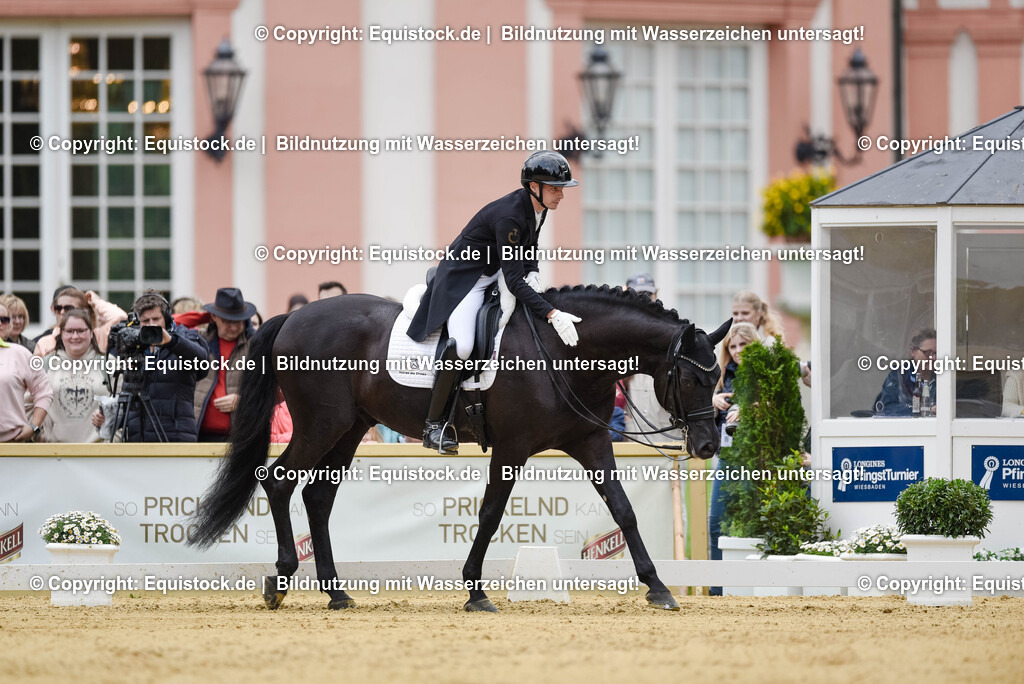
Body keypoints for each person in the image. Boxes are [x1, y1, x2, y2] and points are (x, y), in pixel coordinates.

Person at [407, 151, 582, 453]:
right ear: (534, 187)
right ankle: (433, 425)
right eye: (555, 189)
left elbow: (530, 247)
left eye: (561, 189)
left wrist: (534, 271)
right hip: (466, 281)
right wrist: (552, 313)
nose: (561, 195)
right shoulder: (509, 216)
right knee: (463, 345)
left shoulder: (538, 208)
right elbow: (514, 281)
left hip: (494, 273)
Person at [103, 290, 209, 442]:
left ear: (167, 318)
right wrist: (109, 417)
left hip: (176, 438)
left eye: (156, 319)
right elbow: (129, 400)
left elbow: (203, 364)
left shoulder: (185, 336)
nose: (151, 325)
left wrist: (172, 341)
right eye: (145, 321)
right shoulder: (133, 346)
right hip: (139, 440)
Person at [707, 322, 760, 595]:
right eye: (733, 346)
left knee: (755, 523)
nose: (738, 351)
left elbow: (781, 411)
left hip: (757, 460)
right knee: (716, 523)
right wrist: (713, 404)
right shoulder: (720, 377)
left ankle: (754, 588)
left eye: (743, 345)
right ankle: (717, 590)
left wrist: (750, 410)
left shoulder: (767, 373)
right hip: (727, 458)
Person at [620, 273, 680, 437]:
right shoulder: (616, 337)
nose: (644, 299)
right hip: (632, 439)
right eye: (637, 294)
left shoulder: (674, 333)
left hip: (669, 439)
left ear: (656, 296)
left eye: (648, 294)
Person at [194, 288, 256, 442]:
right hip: (199, 435)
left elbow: (268, 389)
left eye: (238, 321)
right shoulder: (199, 341)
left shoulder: (255, 344)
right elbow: (165, 324)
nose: (233, 327)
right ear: (214, 317)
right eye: (227, 321)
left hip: (240, 437)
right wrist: (201, 317)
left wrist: (243, 400)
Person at [40, 308, 110, 443]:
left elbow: (123, 407)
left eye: (81, 331)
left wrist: (112, 441)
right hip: (55, 451)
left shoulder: (109, 364)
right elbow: (28, 404)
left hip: (99, 451)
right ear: (61, 333)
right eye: (69, 331)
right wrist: (39, 434)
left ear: (91, 333)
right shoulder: (46, 365)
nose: (75, 336)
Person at [0, 301, 52, 442]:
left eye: (4, 319)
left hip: (13, 440)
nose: (0, 323)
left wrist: (33, 427)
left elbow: (44, 392)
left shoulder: (21, 353)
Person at [34, 286, 128, 357]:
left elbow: (120, 317)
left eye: (68, 308)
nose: (62, 312)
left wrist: (95, 301)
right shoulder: (45, 342)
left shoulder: (97, 336)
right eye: (58, 308)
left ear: (84, 311)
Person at [875, 328, 937, 416]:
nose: (934, 358)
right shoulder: (899, 375)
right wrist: (922, 409)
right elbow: (887, 407)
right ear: (913, 351)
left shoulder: (945, 376)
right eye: (928, 353)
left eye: (936, 353)